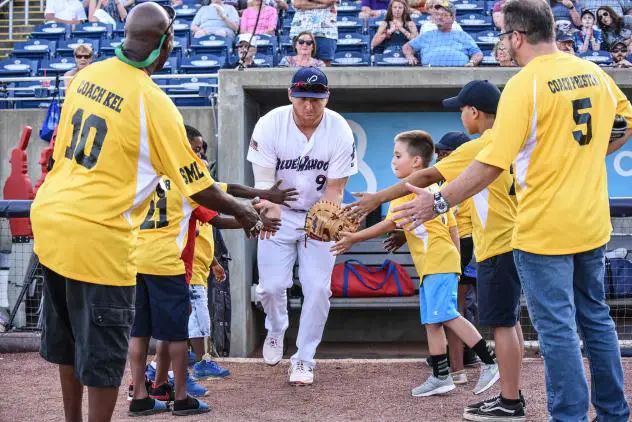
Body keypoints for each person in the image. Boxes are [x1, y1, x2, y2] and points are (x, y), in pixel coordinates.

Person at [384, 1, 632, 420]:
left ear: (517, 36)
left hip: (542, 230)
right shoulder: (594, 71)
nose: (505, 44)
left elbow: (491, 164)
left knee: (557, 330)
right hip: (591, 221)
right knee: (596, 319)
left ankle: (569, 416)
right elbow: (622, 125)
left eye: (504, 36)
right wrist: (586, 157)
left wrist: (438, 200)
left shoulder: (524, 84)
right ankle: (613, 413)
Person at [30, 4, 264, 421]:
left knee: (68, 345)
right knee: (102, 357)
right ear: (166, 44)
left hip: (49, 218)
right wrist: (245, 213)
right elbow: (200, 186)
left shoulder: (87, 75)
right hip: (98, 237)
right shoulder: (154, 102)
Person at [346, 80, 526, 420]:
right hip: (512, 241)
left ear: (474, 112)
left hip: (498, 244)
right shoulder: (511, 140)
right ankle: (504, 391)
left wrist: (376, 198)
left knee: (501, 324)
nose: (460, 115)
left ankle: (508, 397)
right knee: (509, 321)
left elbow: (428, 177)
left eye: (461, 109)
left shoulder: (482, 145)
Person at [332, 130, 500, 399]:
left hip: (436, 264)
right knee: (433, 323)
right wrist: (455, 263)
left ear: (417, 162)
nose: (393, 161)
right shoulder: (434, 189)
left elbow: (388, 224)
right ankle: (441, 377)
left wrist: (354, 237)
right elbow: (453, 228)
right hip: (440, 264)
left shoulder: (408, 188)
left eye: (398, 156)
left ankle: (490, 362)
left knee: (447, 315)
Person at [247, 67, 357, 385]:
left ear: (327, 97)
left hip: (318, 212)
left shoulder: (339, 129)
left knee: (319, 288)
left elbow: (335, 189)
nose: (309, 105)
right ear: (290, 95)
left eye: (316, 98)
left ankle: (304, 358)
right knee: (270, 287)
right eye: (303, 97)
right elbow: (264, 182)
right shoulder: (270, 124)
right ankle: (276, 327)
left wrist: (326, 219)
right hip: (277, 208)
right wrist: (270, 212)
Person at [403, 0, 483, 67]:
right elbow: (407, 47)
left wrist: (472, 62)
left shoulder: (462, 35)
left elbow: (478, 53)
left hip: (458, 74)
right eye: (437, 14)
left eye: (444, 15)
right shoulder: (427, 35)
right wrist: (409, 56)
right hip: (428, 75)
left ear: (453, 18)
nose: (439, 17)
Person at [290, 0, 338, 65]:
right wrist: (321, 5)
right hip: (300, 31)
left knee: (324, 69)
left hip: (326, 32)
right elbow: (297, 3)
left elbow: (329, 1)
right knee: (300, 67)